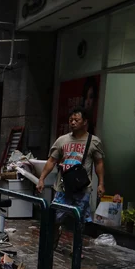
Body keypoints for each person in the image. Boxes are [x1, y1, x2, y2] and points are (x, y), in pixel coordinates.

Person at [37, 106, 105, 252]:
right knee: (55, 217)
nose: (73, 123)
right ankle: (53, 239)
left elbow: (99, 163)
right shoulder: (62, 140)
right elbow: (51, 161)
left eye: (76, 120)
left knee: (79, 222)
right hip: (63, 187)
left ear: (85, 122)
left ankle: (77, 249)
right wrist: (41, 179)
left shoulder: (94, 142)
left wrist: (101, 184)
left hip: (82, 188)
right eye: (71, 120)